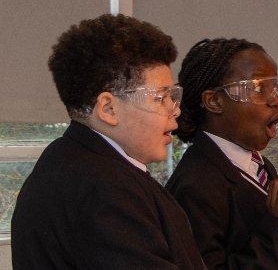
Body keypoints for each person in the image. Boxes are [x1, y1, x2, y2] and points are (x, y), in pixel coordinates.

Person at [12, 14, 206, 269]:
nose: (175, 110)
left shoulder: (70, 159)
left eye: (173, 96)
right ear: (108, 109)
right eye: (161, 98)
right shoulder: (105, 189)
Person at [165, 38, 278, 269]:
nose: (276, 100)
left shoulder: (260, 165)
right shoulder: (195, 186)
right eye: (259, 88)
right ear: (214, 101)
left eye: (275, 88)